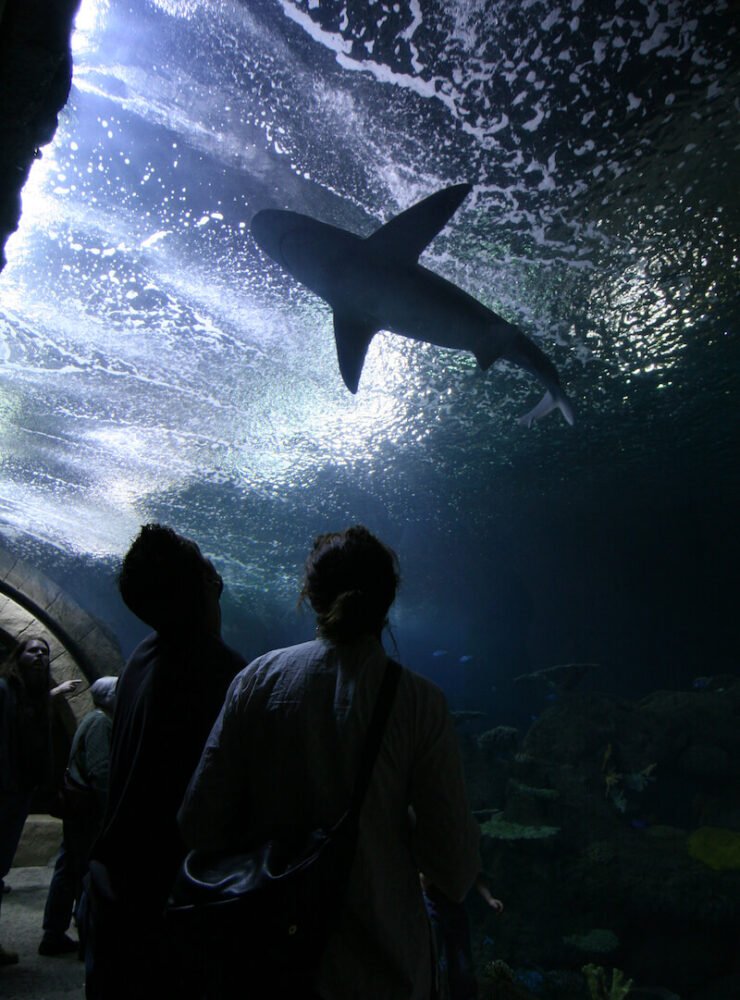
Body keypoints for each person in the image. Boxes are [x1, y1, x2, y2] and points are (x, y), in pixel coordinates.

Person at [179, 524, 481, 999]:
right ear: (389, 599)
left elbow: (198, 823)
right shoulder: (420, 703)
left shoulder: (256, 680)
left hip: (265, 960)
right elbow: (456, 870)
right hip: (384, 969)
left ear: (309, 595)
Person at [84, 524, 245, 999]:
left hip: (113, 892)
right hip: (168, 909)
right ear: (203, 587)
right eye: (208, 570)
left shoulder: (140, 659)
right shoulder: (221, 673)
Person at [0, 636, 81, 965]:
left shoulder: (25, 694)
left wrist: (57, 693)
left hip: (18, 792)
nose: (40, 656)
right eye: (33, 650)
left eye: (45, 653)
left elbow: (29, 711)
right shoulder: (4, 690)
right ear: (18, 656)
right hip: (5, 791)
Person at [39, 675, 118, 957]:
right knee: (86, 872)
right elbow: (101, 771)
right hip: (87, 813)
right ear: (109, 696)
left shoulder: (92, 718)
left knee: (68, 867)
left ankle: (53, 932)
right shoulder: (100, 723)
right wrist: (110, 809)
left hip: (77, 810)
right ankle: (88, 937)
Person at [422, 872, 504, 999]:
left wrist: (489, 899)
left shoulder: (462, 853)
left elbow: (475, 870)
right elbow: (423, 878)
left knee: (462, 967)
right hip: (432, 907)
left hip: (455, 907)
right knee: (429, 963)